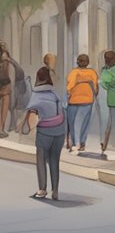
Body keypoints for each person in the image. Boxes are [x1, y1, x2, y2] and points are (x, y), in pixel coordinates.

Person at [28, 67, 66, 200]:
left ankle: (42, 189)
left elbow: (32, 117)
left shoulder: (36, 95)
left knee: (41, 159)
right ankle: (55, 190)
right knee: (54, 160)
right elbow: (62, 112)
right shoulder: (55, 94)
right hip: (60, 131)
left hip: (45, 132)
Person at [65, 54, 99, 153]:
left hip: (73, 100)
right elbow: (96, 87)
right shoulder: (92, 72)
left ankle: (73, 142)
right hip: (88, 100)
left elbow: (69, 87)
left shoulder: (74, 72)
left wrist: (68, 94)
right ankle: (82, 143)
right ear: (87, 62)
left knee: (71, 122)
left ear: (77, 62)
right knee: (85, 122)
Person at [0, 41, 16, 136]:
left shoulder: (5, 55)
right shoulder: (6, 55)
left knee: (4, 108)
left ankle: (1, 129)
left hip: (5, 84)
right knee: (4, 107)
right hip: (5, 84)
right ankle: (1, 129)